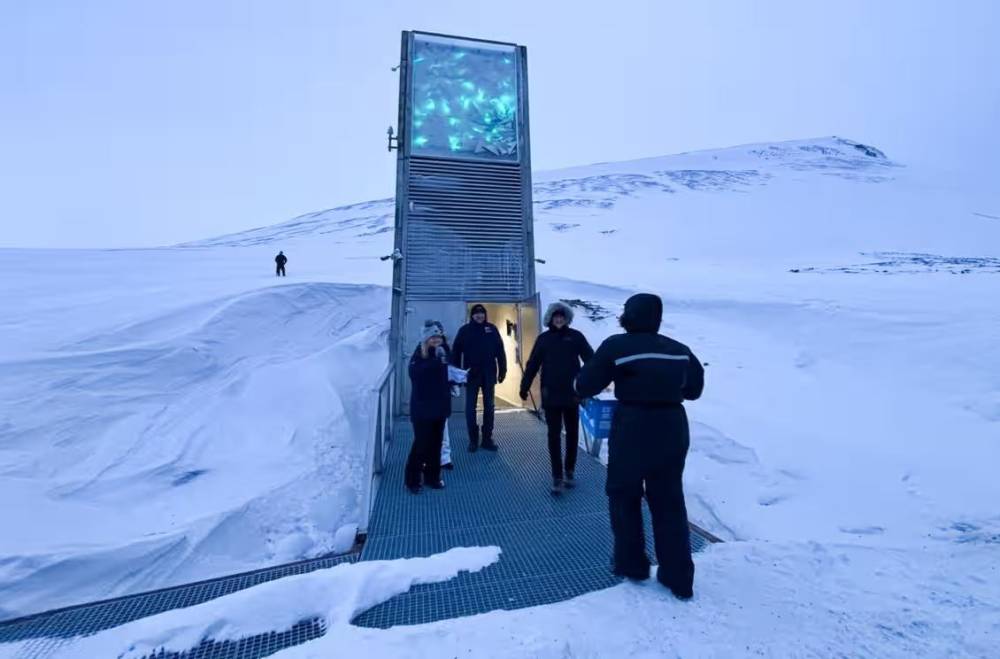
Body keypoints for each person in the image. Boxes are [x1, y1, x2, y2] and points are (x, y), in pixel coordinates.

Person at [574, 293, 705, 600]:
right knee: (669, 499)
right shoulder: (679, 349)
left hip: (633, 424)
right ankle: (679, 577)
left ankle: (631, 564)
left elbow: (585, 385)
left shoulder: (617, 346)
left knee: (624, 495)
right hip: (673, 425)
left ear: (628, 316)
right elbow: (695, 390)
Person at [520, 301, 594, 494]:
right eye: (555, 316)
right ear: (550, 318)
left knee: (572, 434)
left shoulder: (576, 337)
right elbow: (533, 363)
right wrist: (524, 385)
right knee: (553, 435)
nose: (559, 319)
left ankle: (569, 470)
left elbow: (592, 361)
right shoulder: (544, 339)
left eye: (562, 316)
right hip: (550, 394)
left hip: (572, 394)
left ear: (566, 318)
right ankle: (557, 476)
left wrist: (587, 383)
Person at [404, 320, 452, 493]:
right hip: (423, 409)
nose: (436, 340)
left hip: (439, 407)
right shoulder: (419, 355)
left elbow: (447, 373)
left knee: (436, 444)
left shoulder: (444, 352)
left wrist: (456, 379)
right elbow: (416, 374)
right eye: (432, 337)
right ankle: (412, 480)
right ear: (426, 339)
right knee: (421, 445)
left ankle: (433, 477)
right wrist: (436, 364)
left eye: (438, 337)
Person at [451, 304, 506, 452]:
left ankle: (487, 438)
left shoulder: (492, 329)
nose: (479, 315)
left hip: (488, 375)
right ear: (472, 315)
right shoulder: (464, 331)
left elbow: (500, 351)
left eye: (482, 313)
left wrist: (503, 370)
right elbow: (455, 352)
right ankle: (473, 440)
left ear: (485, 315)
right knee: (470, 408)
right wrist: (456, 374)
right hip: (471, 375)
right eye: (476, 313)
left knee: (489, 407)